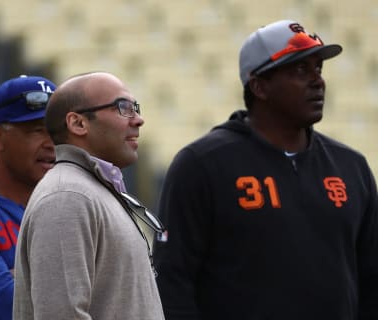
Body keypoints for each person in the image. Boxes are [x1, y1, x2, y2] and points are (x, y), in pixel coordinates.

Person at [154, 19, 378, 320]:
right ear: (259, 86)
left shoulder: (352, 167)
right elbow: (172, 281)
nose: (317, 81)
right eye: (300, 70)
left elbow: (372, 279)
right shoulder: (202, 164)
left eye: (318, 69)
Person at [13, 71, 165, 320]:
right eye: (123, 108)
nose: (138, 120)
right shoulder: (67, 196)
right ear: (78, 124)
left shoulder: (89, 190)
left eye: (135, 108)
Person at [0, 75, 56, 320]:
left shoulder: (66, 210)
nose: (52, 144)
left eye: (57, 132)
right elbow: (4, 307)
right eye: (37, 131)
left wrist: (23, 277)